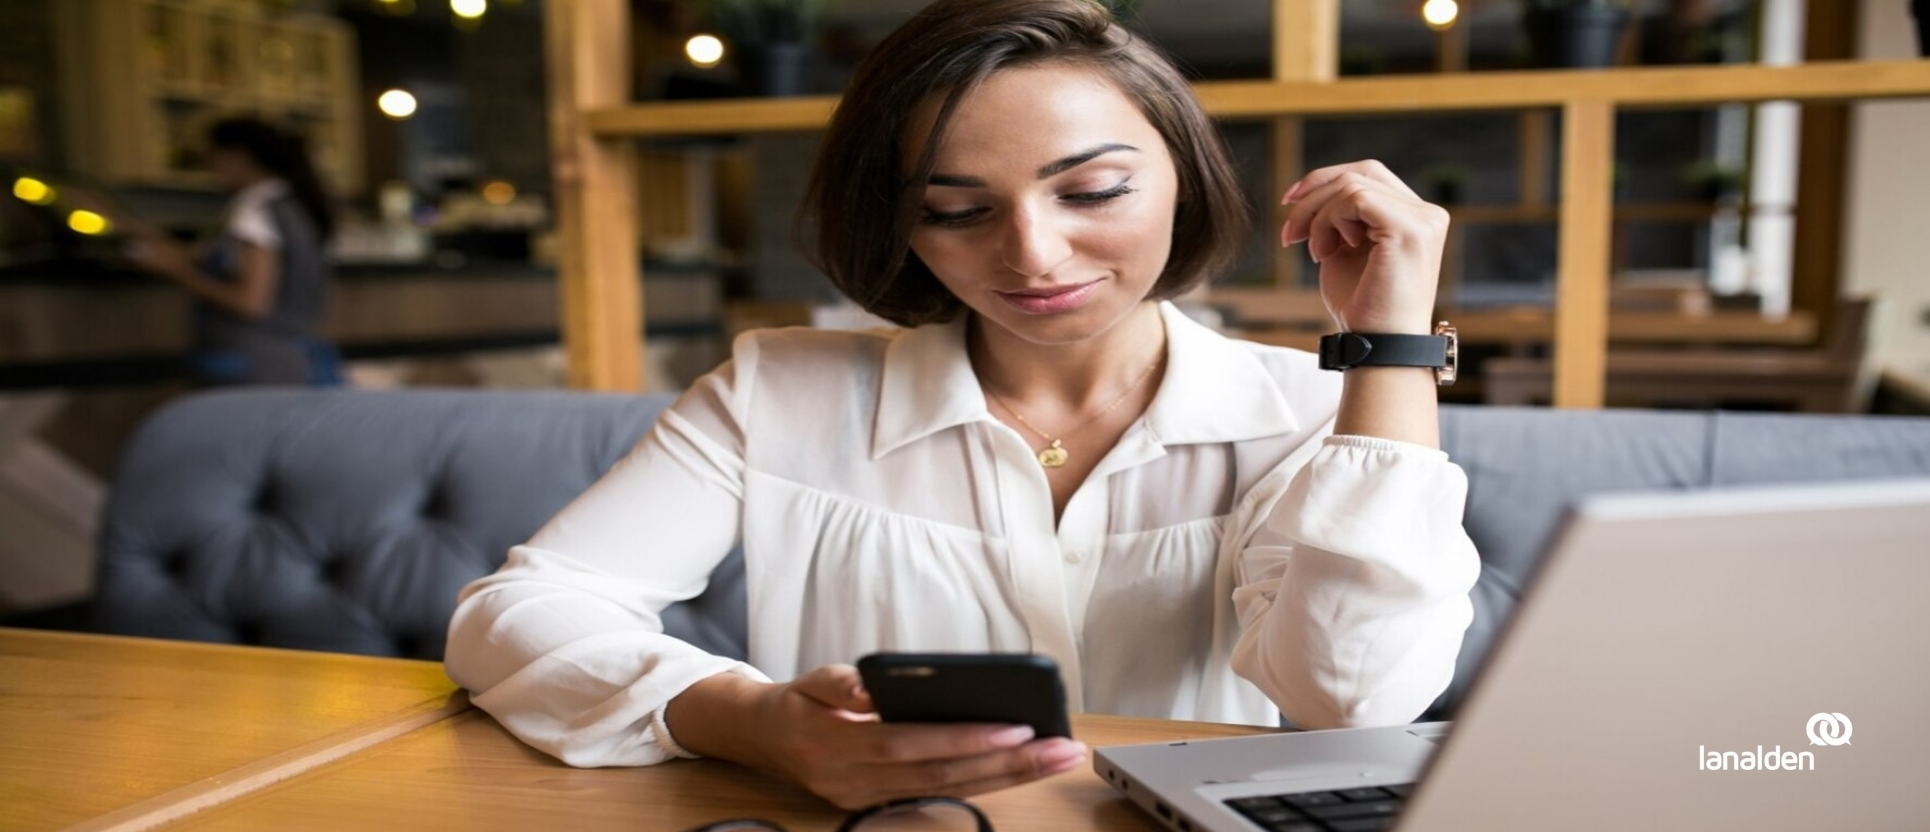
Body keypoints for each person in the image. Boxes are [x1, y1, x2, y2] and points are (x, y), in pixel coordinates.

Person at [445, 0, 1480, 811]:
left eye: (1091, 192)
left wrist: (1386, 348)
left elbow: (1353, 697)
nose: (1031, 253)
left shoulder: (1305, 416)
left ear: (1182, 179)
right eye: (956, 209)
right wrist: (752, 721)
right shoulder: (777, 391)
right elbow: (513, 617)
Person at [110, 118, 340, 385]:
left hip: (254, 363)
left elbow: (251, 302)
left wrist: (178, 271)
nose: (209, 165)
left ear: (238, 156)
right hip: (291, 359)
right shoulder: (290, 204)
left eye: (212, 155)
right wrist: (141, 232)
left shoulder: (254, 209)